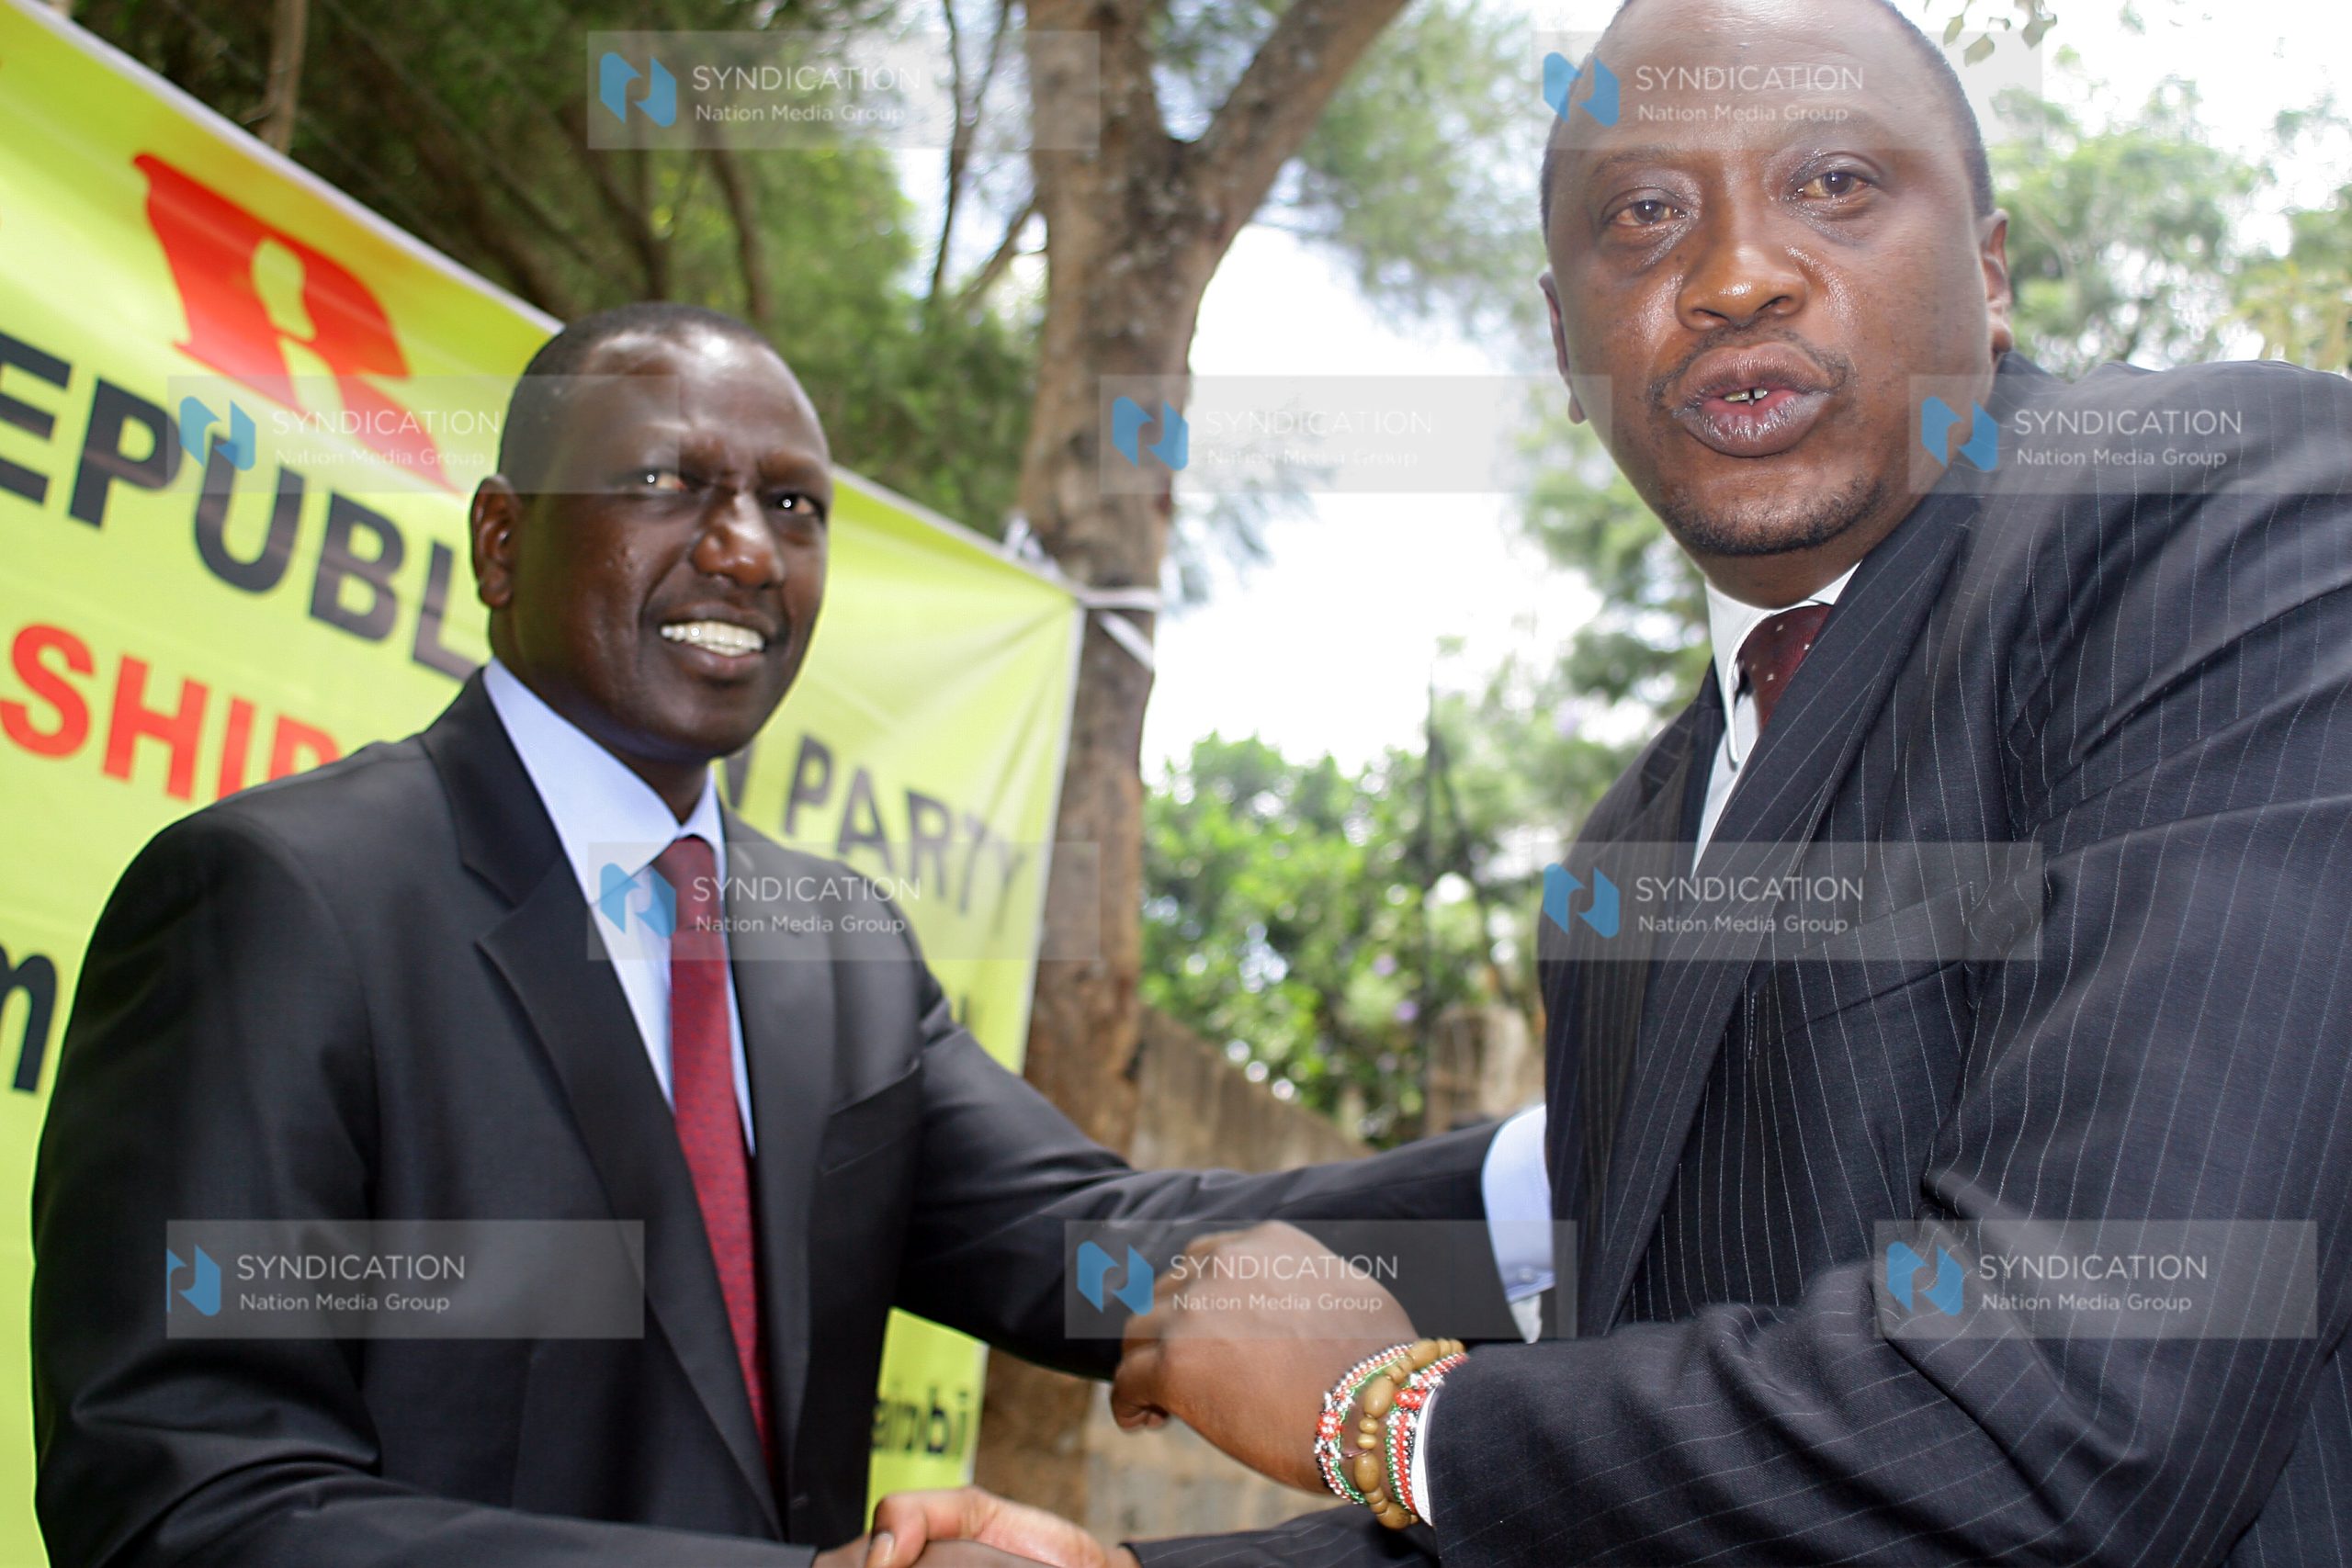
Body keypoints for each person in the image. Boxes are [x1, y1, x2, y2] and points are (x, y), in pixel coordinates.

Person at [865, 0, 2352, 1561]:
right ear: (1565, 348)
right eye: (1643, 216)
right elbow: (1659, 1511)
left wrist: (1390, 1412)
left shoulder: (2220, 516)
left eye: (1836, 184)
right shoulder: (1628, 860)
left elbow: (2065, 1421)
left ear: (1988, 268)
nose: (1731, 275)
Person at [28, 302, 1548, 1568]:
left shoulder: (838, 952)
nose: (746, 549)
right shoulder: (279, 903)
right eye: (664, 486)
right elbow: (189, 1499)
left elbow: (1102, 1259)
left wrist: (1567, 1188)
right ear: (502, 543)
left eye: (793, 505)